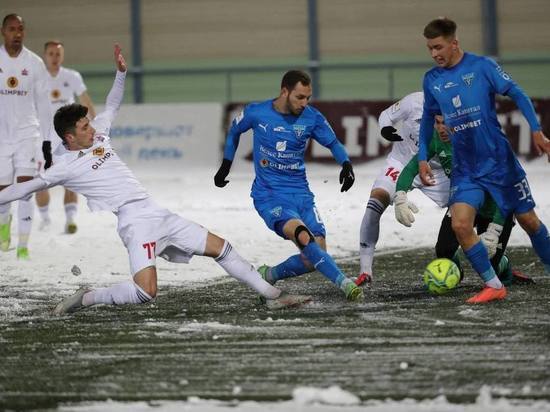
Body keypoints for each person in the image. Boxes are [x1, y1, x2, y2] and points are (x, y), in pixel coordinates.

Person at [0, 45, 311, 314]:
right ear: (69, 137)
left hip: (156, 211)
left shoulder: (99, 136)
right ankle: (89, 298)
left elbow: (112, 105)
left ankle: (272, 296)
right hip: (134, 223)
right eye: (84, 127)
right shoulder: (64, 167)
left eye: (89, 123)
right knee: (145, 292)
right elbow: (25, 187)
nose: (92, 128)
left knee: (222, 247)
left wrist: (120, 73)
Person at [418, 17, 550, 303]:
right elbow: (428, 117)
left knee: (529, 222)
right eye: (429, 49)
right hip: (466, 170)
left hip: (499, 163)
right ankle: (494, 285)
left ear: (454, 43)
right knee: (461, 225)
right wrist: (421, 158)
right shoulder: (432, 80)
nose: (434, 54)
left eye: (438, 47)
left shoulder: (482, 66)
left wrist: (537, 131)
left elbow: (517, 93)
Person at [213, 70, 363, 301]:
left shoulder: (311, 117)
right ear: (285, 91)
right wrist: (225, 165)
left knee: (315, 255)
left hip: (302, 195)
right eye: (300, 97)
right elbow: (234, 131)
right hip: (270, 195)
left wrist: (346, 164)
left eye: (308, 98)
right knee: (303, 236)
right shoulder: (256, 112)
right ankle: (345, 284)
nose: (305, 103)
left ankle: (269, 274)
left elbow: (333, 142)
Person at [394, 115, 532, 287]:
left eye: (446, 123)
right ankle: (454, 274)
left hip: (497, 208)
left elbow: (507, 190)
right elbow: (412, 167)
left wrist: (495, 230)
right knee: (443, 250)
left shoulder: (484, 144)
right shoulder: (435, 139)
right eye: (437, 122)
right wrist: (400, 196)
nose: (441, 128)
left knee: (490, 265)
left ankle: (503, 265)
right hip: (463, 203)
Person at [357, 91, 451, 285]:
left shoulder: (458, 106)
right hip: (402, 163)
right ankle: (365, 272)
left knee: (467, 213)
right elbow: (386, 115)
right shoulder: (414, 101)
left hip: (440, 171)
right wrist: (385, 128)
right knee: (375, 203)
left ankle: (497, 263)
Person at [0, 14, 54, 259]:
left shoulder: (34, 63)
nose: (17, 33)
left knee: (24, 188)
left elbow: (44, 105)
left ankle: (23, 245)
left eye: (21, 29)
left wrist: (47, 140)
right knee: (3, 192)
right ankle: (4, 229)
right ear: (3, 32)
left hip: (27, 133)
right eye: (12, 29)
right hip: (1, 135)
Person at [35, 40, 96, 234]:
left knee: (70, 178)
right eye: (51, 54)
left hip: (67, 136)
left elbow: (85, 101)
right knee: (41, 179)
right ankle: (45, 219)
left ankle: (70, 220)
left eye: (58, 54)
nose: (55, 57)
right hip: (42, 136)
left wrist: (95, 125)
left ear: (63, 56)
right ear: (45, 56)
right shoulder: (36, 78)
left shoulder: (72, 76)